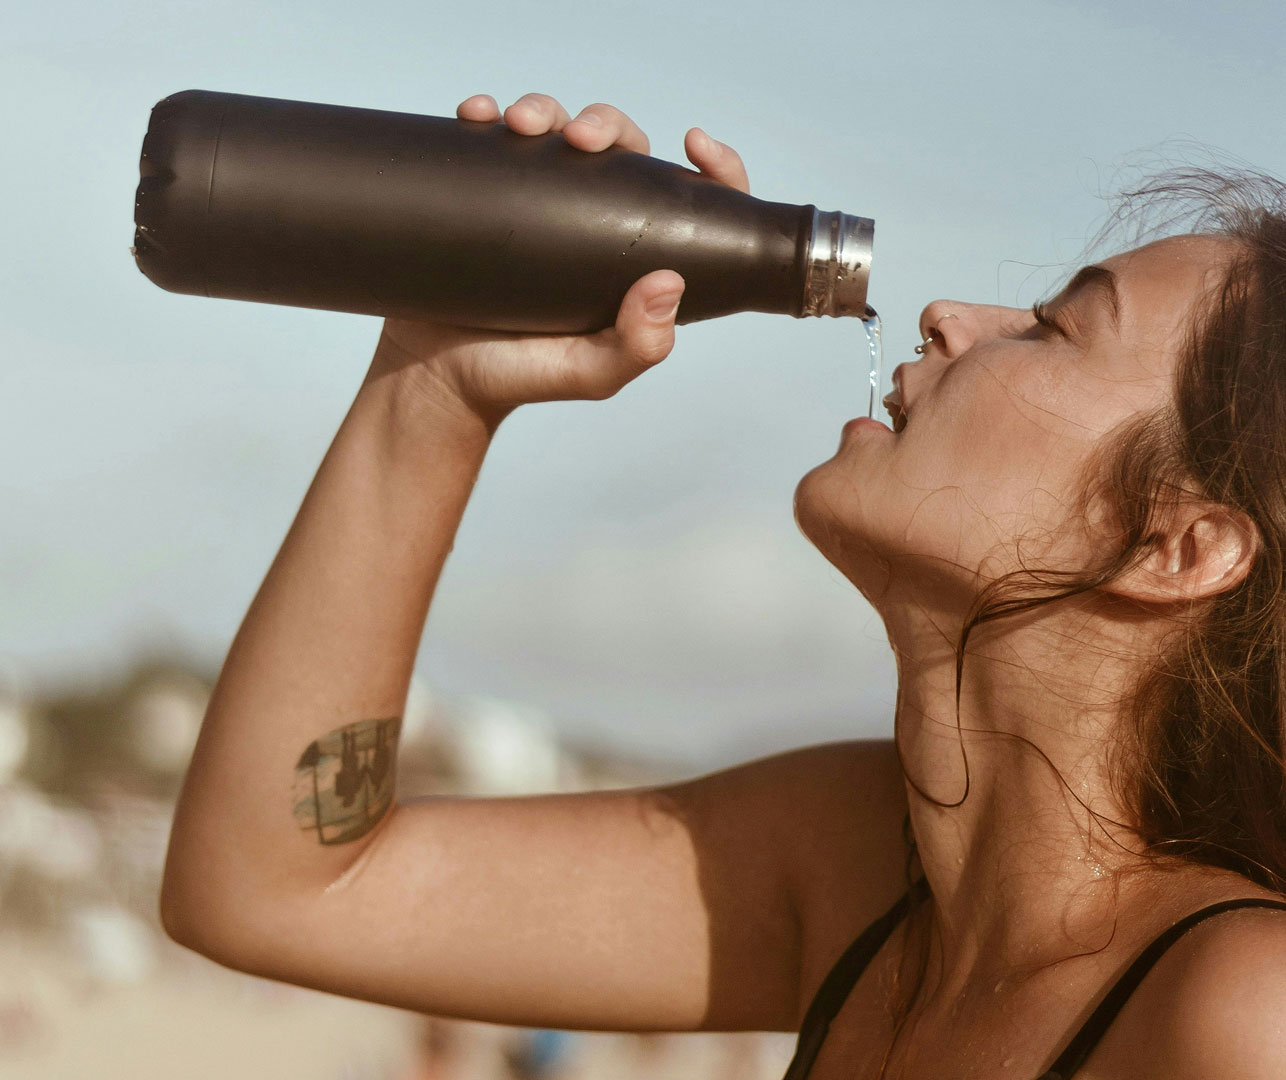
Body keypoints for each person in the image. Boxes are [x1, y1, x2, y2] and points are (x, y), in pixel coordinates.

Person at [158, 92, 1286, 1079]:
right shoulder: (854, 871)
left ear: (1178, 547)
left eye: (1053, 327)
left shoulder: (1241, 1013)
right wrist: (435, 385)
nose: (949, 315)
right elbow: (269, 889)